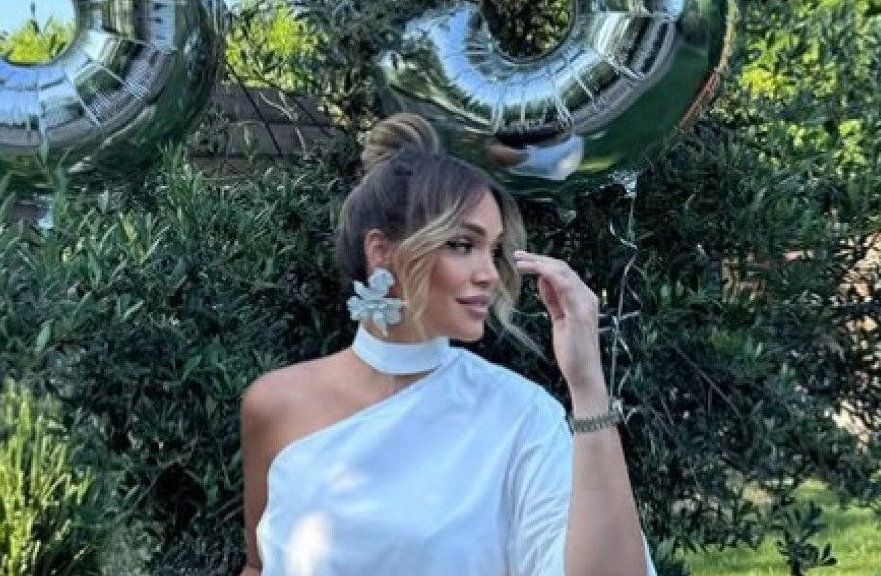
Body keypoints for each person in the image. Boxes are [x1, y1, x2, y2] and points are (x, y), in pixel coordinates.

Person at [238, 113, 656, 576]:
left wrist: (588, 386)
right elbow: (259, 566)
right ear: (381, 252)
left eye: (493, 249)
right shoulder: (273, 405)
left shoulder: (521, 418)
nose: (490, 274)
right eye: (461, 245)